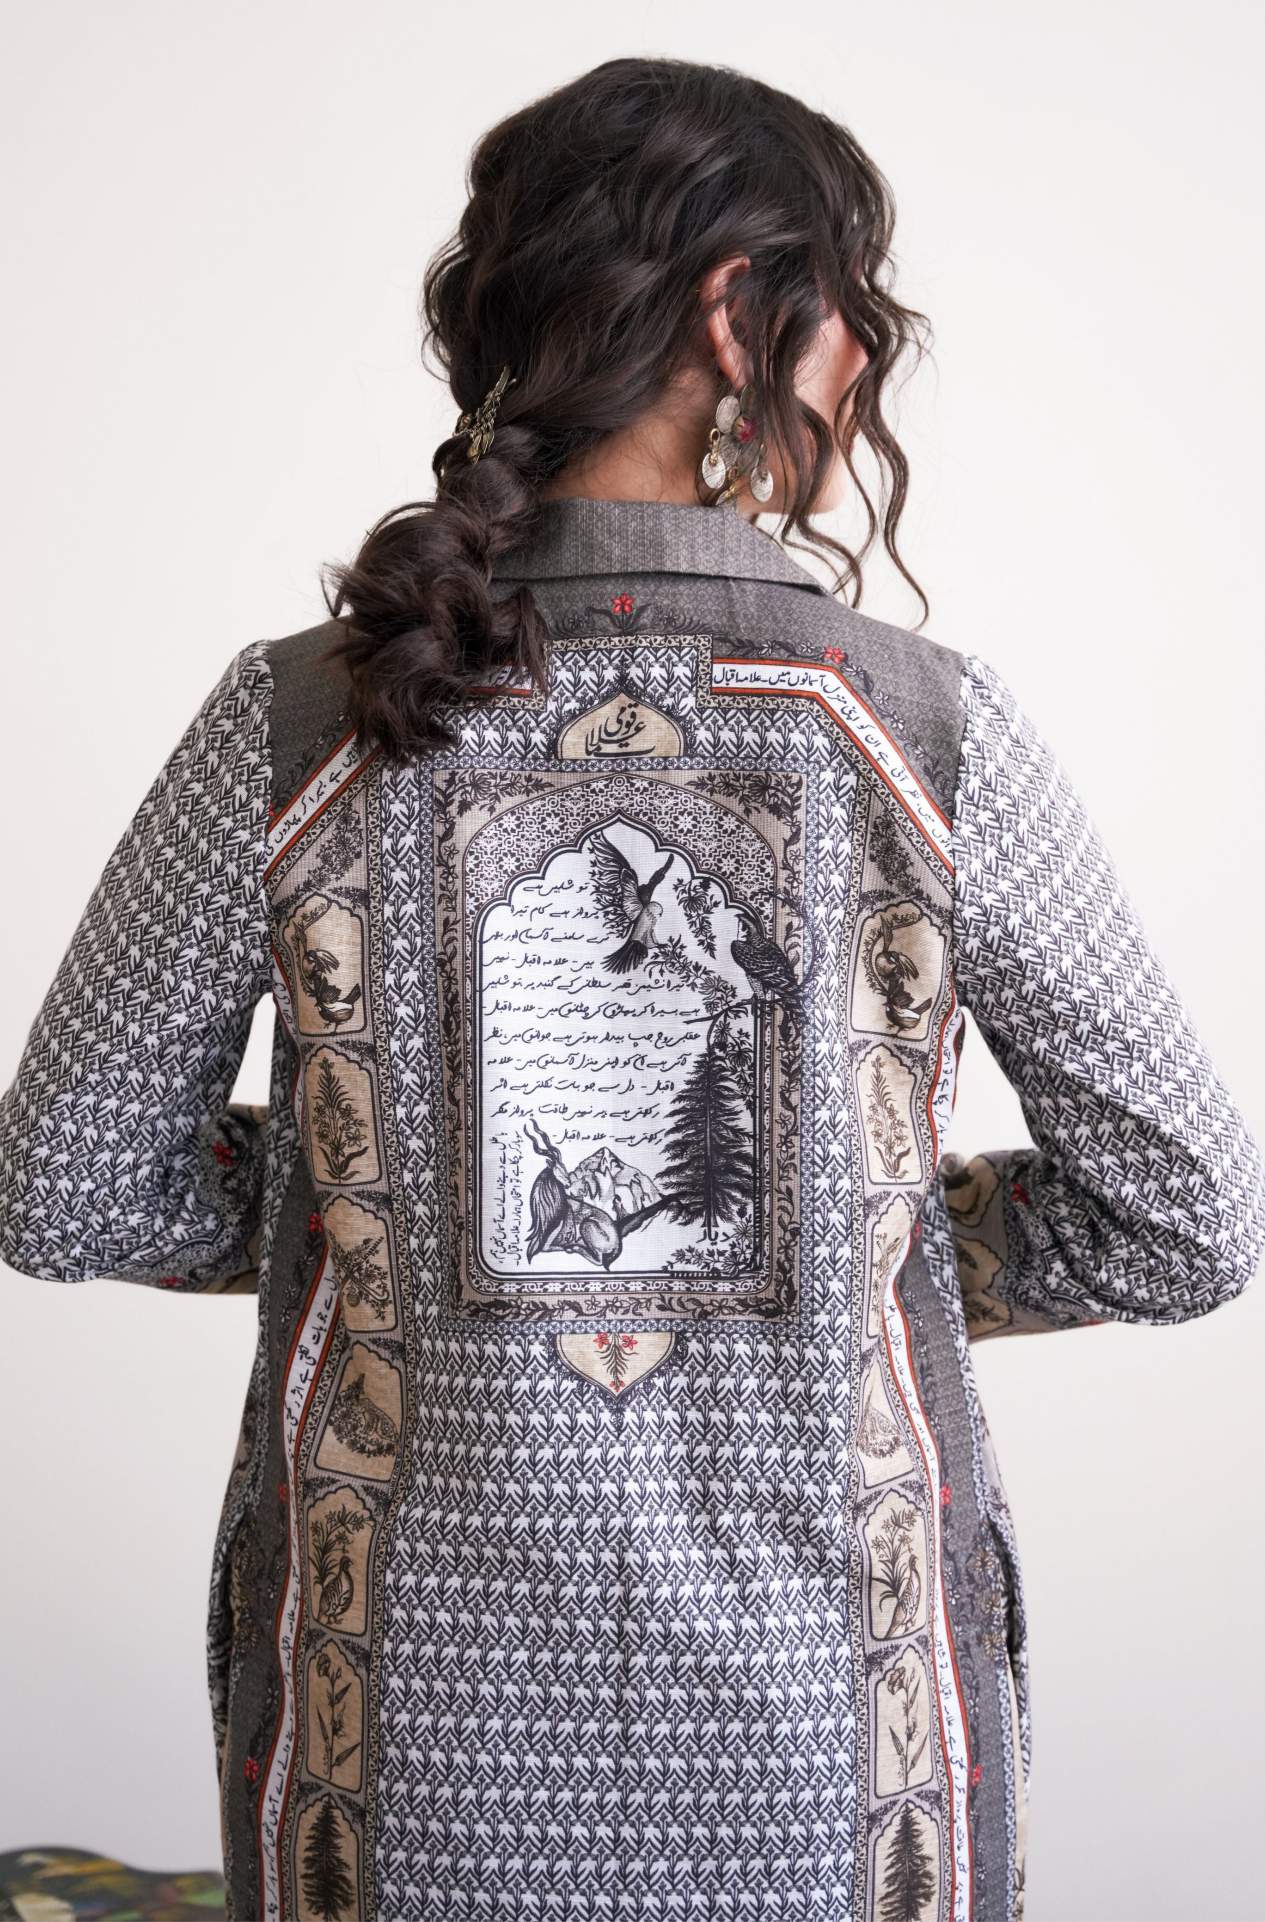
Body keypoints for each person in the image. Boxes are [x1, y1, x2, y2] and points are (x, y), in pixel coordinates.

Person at [1, 54, 1260, 1922]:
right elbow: (1186, 1216)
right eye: (848, 305)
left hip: (401, 1788)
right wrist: (858, 1232)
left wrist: (377, 1205)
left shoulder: (297, 724)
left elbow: (64, 1186)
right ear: (737, 312)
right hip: (831, 1796)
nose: (864, 360)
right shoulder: (919, 733)